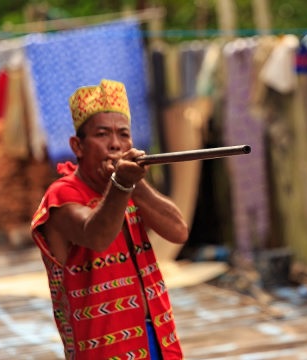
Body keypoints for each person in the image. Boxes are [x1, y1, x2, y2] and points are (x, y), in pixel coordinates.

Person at [31, 79, 189, 360]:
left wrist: (135, 184)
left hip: (157, 336)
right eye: (102, 135)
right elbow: (97, 236)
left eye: (123, 134)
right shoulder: (62, 195)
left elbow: (178, 232)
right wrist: (122, 184)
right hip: (102, 349)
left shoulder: (127, 188)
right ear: (78, 146)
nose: (115, 144)